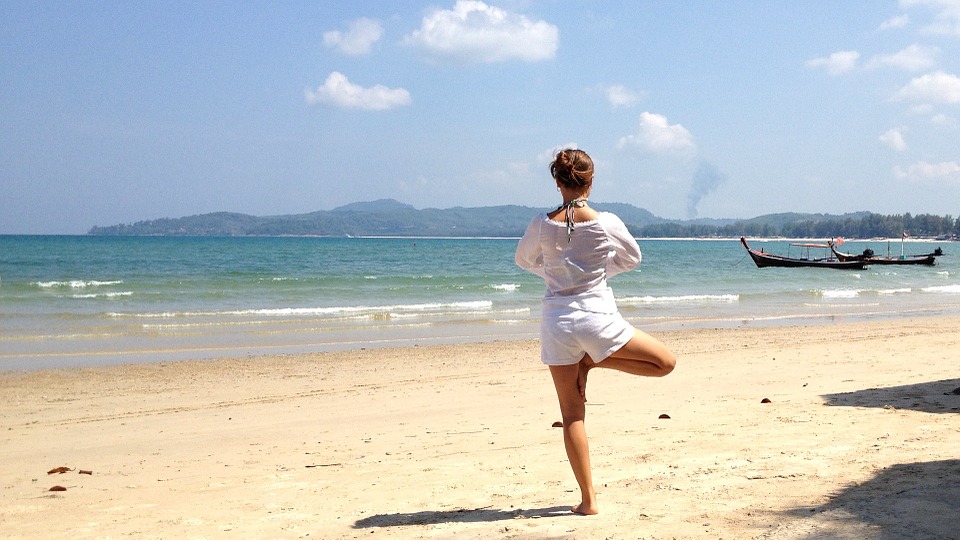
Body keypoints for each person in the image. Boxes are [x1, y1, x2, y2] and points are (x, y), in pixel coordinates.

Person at [515, 148, 676, 515]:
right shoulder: (606, 222)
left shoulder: (541, 223)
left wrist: (554, 273)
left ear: (557, 182)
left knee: (572, 416)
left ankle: (588, 502)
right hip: (598, 319)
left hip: (557, 322)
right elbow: (632, 258)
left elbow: (523, 260)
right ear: (591, 180)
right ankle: (595, 362)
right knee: (665, 363)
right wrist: (599, 272)